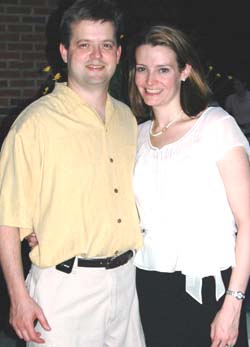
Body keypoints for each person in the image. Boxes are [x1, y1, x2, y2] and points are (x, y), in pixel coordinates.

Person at [0, 1, 145, 346]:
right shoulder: (34, 125)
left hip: (126, 283)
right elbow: (7, 219)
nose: (96, 55)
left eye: (106, 45)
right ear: (65, 52)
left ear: (118, 52)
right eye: (84, 44)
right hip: (65, 290)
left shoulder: (128, 119)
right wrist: (19, 298)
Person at [128, 25, 250, 347]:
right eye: (142, 69)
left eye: (163, 69)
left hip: (210, 290)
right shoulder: (136, 135)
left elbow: (248, 220)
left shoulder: (215, 126)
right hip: (148, 285)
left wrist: (233, 304)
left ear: (185, 71)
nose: (150, 80)